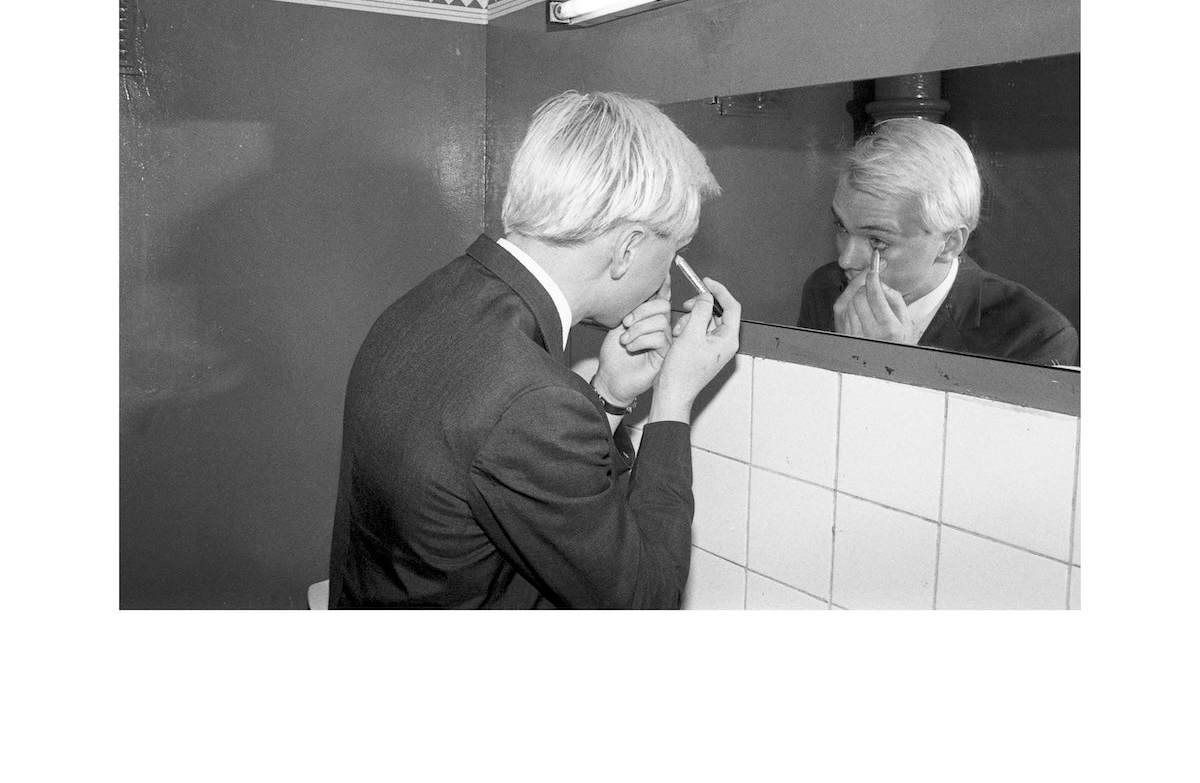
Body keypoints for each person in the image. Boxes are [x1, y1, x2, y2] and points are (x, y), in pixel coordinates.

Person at [328, 90, 741, 609]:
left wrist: (609, 394)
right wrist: (673, 402)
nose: (667, 275)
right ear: (628, 248)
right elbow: (645, 601)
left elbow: (508, 475)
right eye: (673, 253)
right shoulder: (533, 400)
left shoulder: (433, 300)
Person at [797, 118, 1078, 366]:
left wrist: (893, 366)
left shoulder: (1035, 335)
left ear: (949, 244)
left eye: (877, 241)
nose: (846, 259)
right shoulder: (825, 289)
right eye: (842, 227)